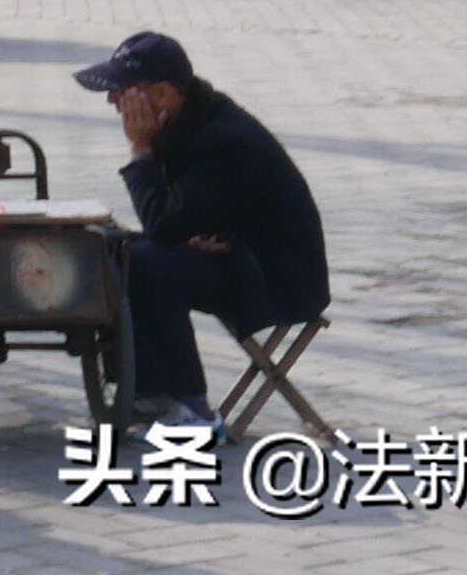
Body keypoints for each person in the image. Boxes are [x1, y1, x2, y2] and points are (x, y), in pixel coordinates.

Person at [76, 31, 329, 429]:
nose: (113, 101)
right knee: (121, 250)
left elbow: (162, 223)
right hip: (238, 254)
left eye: (123, 90)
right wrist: (195, 230)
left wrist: (140, 150)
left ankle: (188, 404)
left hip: (276, 278)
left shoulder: (224, 138)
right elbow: (178, 219)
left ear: (161, 93)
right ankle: (148, 389)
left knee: (147, 263)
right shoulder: (185, 121)